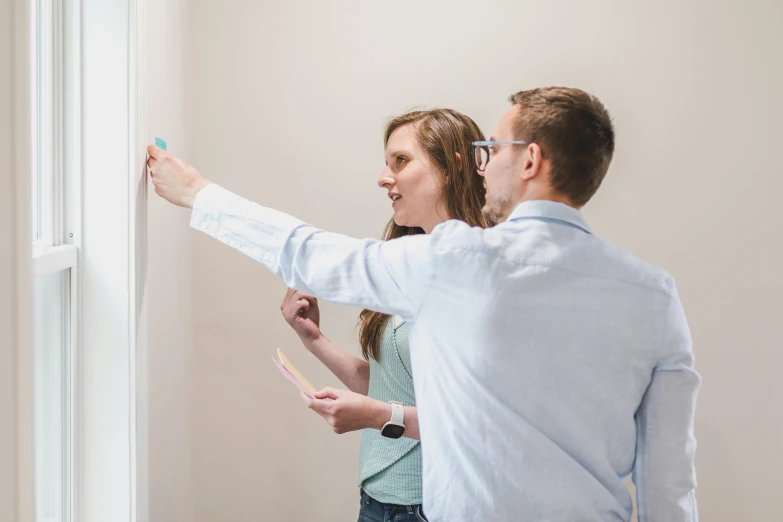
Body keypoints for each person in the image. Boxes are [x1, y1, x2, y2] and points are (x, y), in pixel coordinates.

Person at [148, 86, 700, 522]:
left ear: (530, 160)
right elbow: (670, 483)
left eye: (493, 151)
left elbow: (312, 254)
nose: (482, 165)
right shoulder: (653, 294)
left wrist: (198, 192)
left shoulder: (457, 260)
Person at [280, 108, 486, 522]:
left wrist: (377, 416)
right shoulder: (404, 260)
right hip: (378, 500)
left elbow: (474, 421)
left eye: (401, 161)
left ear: (452, 166)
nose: (383, 177)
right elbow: (392, 385)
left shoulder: (485, 272)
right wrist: (313, 339)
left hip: (433, 506)